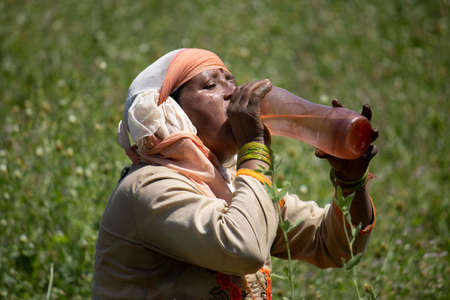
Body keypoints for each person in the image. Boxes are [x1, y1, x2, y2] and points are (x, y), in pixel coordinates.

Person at [92, 48, 378, 299]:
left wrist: (351, 183)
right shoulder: (148, 187)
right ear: (171, 112)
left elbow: (336, 247)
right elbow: (244, 249)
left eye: (232, 80)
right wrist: (254, 148)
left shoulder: (227, 183)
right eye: (211, 85)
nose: (232, 92)